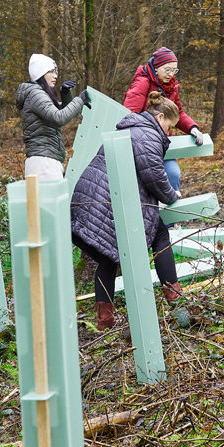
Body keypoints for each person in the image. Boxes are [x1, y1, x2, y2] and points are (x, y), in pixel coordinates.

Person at [71, 92, 183, 330]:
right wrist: (172, 195)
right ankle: (176, 300)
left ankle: (105, 320)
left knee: (108, 257)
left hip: (91, 201)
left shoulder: (134, 127)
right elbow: (154, 175)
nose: (169, 132)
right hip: (103, 203)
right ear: (160, 117)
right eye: (169, 126)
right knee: (160, 236)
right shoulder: (149, 134)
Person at [124, 47, 204, 191]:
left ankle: (171, 211)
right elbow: (129, 116)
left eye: (174, 70)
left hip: (162, 143)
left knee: (173, 175)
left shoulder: (172, 87)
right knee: (148, 183)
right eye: (167, 69)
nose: (171, 74)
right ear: (156, 67)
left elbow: (178, 113)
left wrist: (192, 128)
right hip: (143, 144)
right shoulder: (142, 83)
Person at [16, 53, 90, 180]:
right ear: (40, 73)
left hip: (45, 161)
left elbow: (57, 111)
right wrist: (80, 100)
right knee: (50, 200)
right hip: (43, 163)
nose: (55, 76)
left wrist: (66, 94)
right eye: (51, 72)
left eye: (55, 72)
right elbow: (59, 117)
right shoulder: (35, 94)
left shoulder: (38, 94)